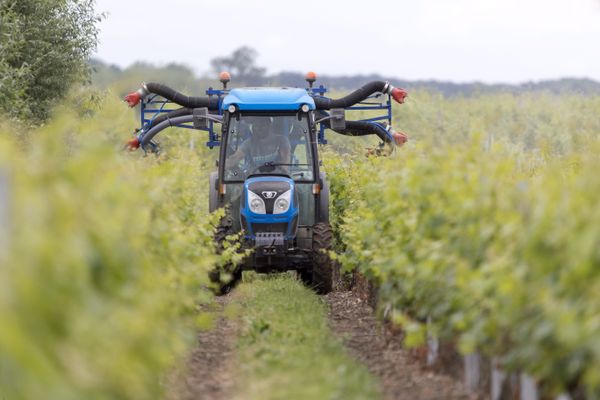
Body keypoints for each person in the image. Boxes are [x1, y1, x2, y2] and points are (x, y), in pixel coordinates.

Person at [226, 117, 292, 175]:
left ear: (269, 125)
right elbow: (235, 158)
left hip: (278, 178)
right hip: (255, 179)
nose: (258, 128)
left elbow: (285, 161)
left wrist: (283, 172)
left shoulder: (282, 140)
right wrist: (224, 166)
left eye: (261, 125)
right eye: (256, 126)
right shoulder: (249, 143)